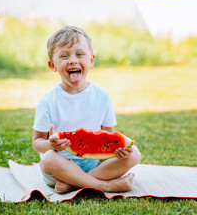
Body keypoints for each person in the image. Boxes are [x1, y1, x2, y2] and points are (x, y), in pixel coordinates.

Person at [32, 26, 141, 194]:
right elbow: (36, 142)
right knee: (48, 159)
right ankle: (104, 185)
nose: (73, 60)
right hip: (60, 166)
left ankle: (75, 184)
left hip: (95, 163)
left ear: (91, 60)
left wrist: (119, 151)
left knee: (134, 153)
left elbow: (109, 136)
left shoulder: (103, 96)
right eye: (64, 55)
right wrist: (50, 144)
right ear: (52, 65)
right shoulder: (47, 101)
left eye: (79, 54)